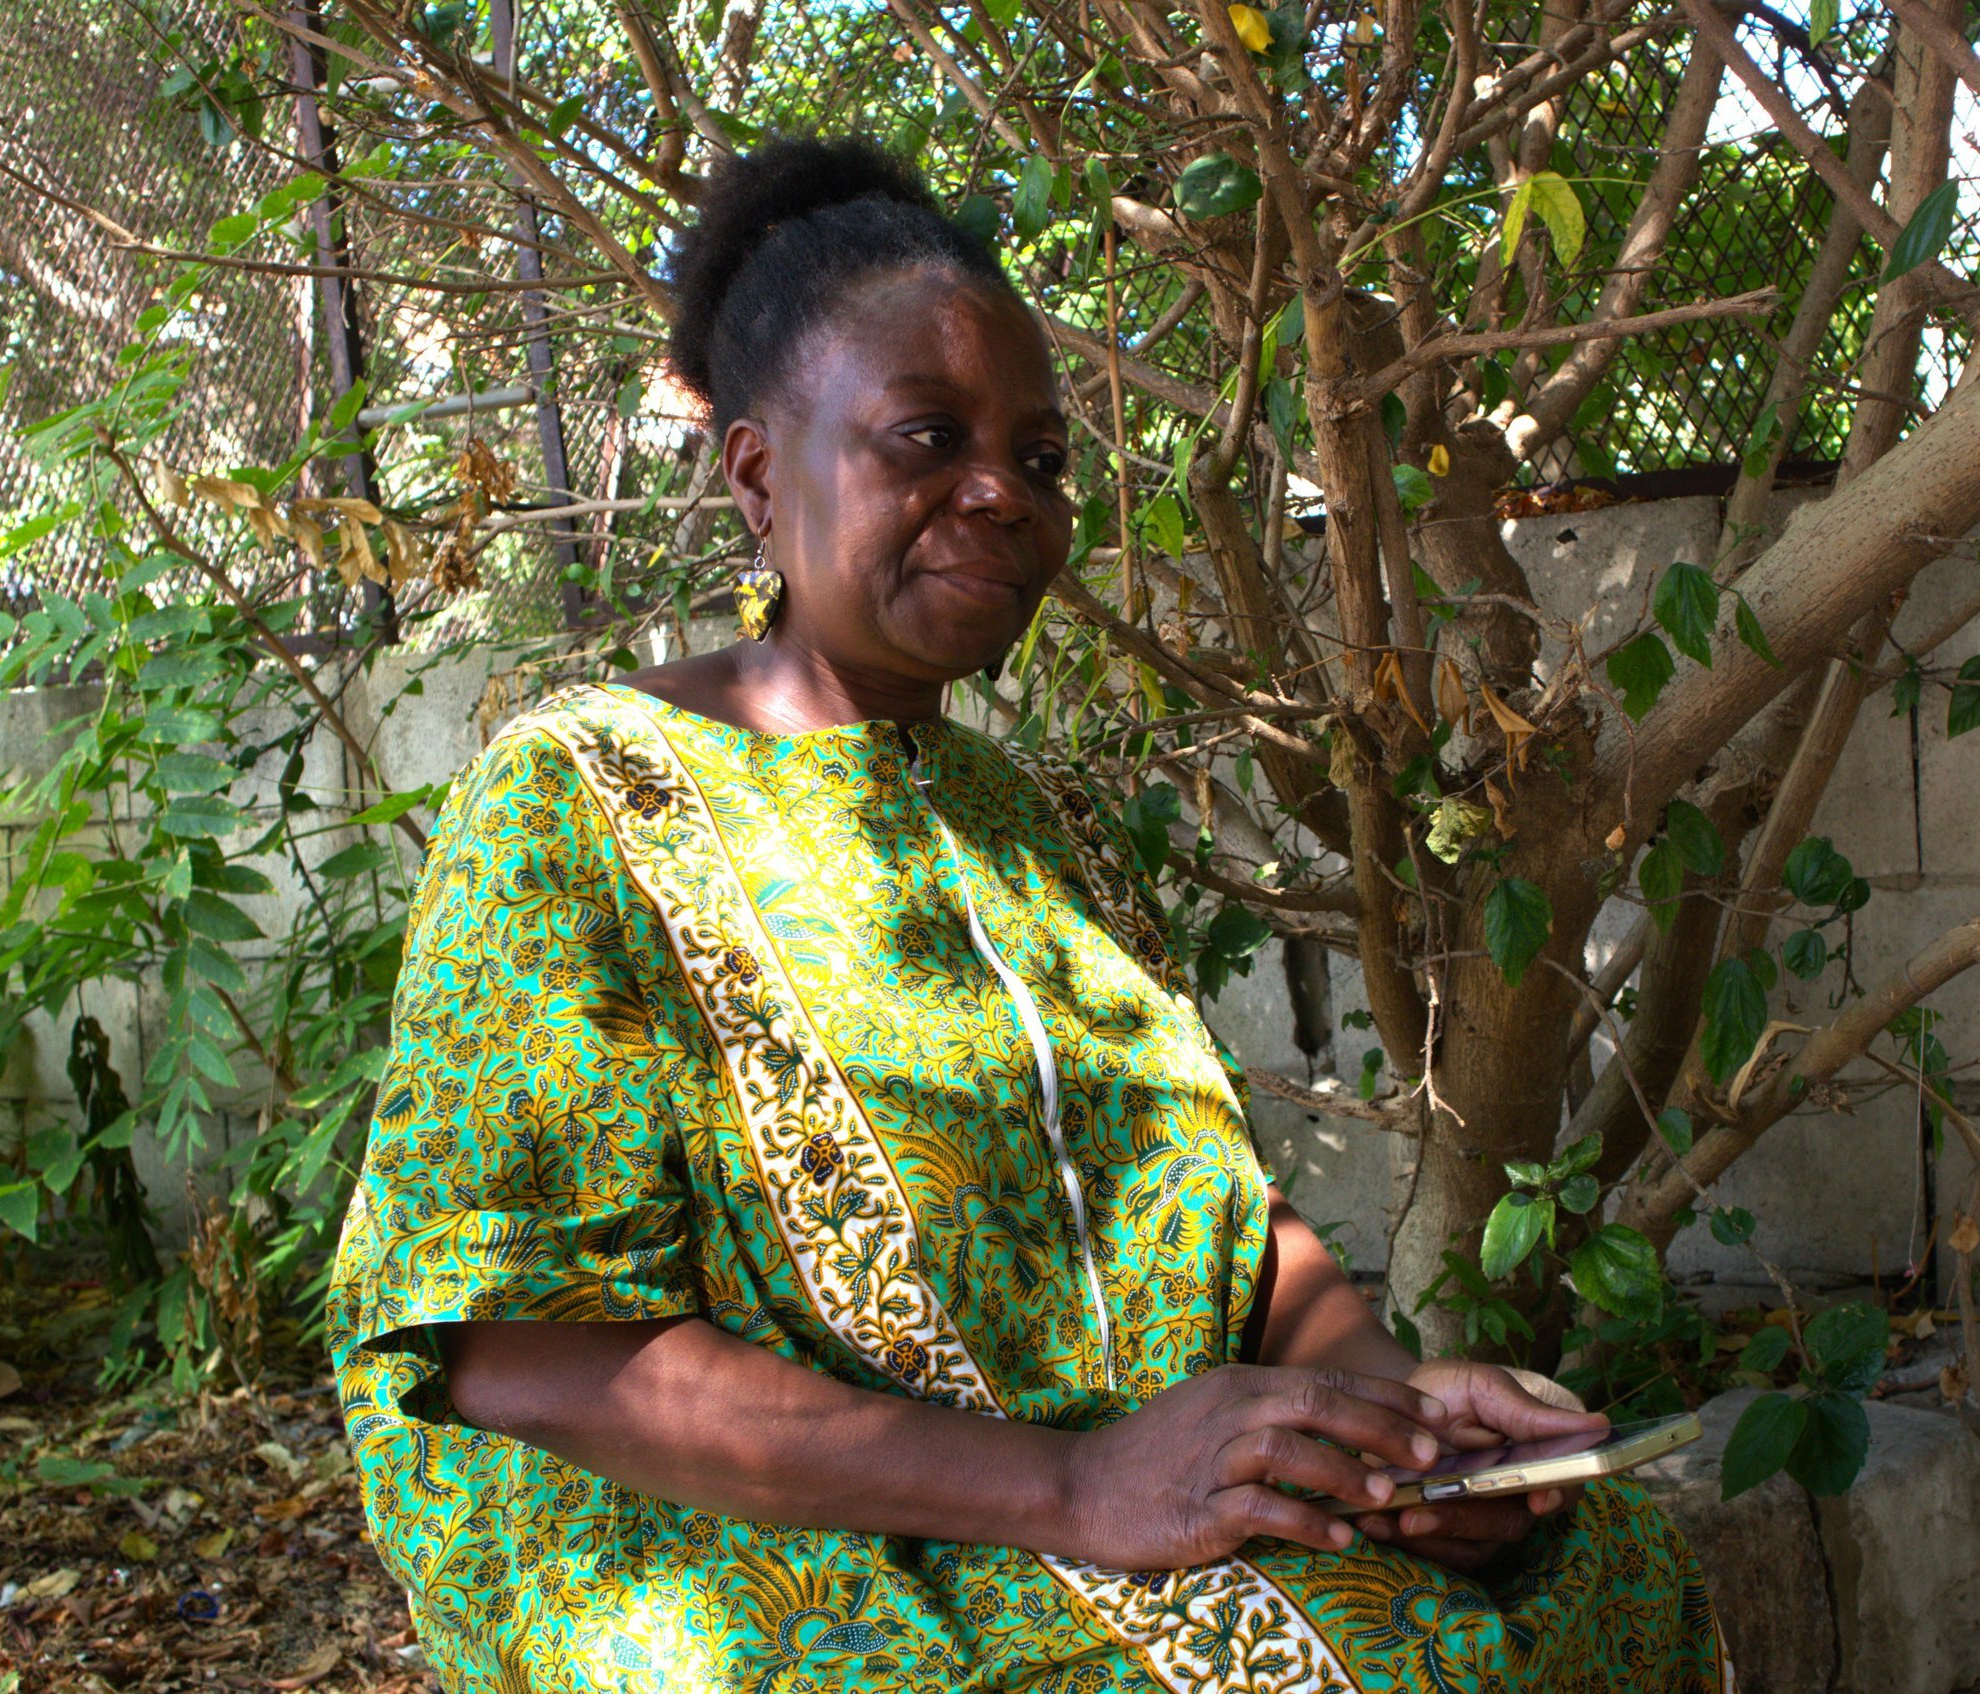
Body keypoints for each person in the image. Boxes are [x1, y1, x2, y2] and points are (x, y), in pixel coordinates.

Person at [324, 135, 1727, 1693]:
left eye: (1043, 458)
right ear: (756, 472)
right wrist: (1078, 1486)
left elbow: (1237, 1240)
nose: (1000, 491)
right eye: (927, 437)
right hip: (760, 1539)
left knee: (1598, 1566)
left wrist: (1391, 1428)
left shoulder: (1020, 823)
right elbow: (524, 1349)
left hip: (1106, 1484)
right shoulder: (579, 797)